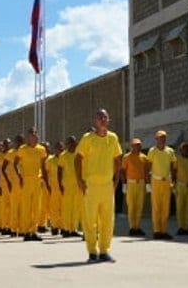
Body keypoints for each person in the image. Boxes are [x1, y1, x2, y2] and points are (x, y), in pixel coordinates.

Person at [76, 108, 122, 263]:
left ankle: (104, 251)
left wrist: (116, 179)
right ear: (94, 121)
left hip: (107, 186)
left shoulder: (113, 138)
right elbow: (78, 158)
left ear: (108, 120)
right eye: (99, 117)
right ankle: (92, 252)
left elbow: (117, 159)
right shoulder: (88, 138)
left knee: (107, 220)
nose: (103, 119)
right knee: (90, 221)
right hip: (91, 186)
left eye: (105, 117)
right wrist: (80, 180)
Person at [15, 128, 47, 241]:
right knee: (26, 207)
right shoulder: (22, 149)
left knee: (36, 207)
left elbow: (43, 166)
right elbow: (15, 164)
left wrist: (44, 179)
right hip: (26, 180)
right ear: (28, 137)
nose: (34, 136)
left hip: (37, 180)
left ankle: (33, 231)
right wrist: (20, 177)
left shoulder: (41, 149)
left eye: (35, 134)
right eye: (31, 134)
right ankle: (25, 231)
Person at [146, 130, 175, 239]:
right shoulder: (152, 151)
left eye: (163, 137)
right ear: (156, 139)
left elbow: (173, 166)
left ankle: (164, 230)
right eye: (159, 138)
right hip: (156, 180)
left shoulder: (170, 151)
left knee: (165, 207)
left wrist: (173, 180)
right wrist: (148, 183)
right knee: (156, 206)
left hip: (166, 180)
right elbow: (148, 167)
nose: (161, 139)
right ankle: (157, 230)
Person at [120, 138, 147, 236]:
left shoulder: (144, 157)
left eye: (139, 145)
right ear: (132, 146)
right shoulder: (126, 157)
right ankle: (132, 227)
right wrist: (124, 184)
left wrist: (147, 184)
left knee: (139, 206)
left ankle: (138, 227)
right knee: (131, 206)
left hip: (141, 183)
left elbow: (146, 171)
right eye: (135, 145)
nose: (138, 146)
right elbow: (122, 171)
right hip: (131, 183)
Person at [173, 141, 188, 236]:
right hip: (180, 186)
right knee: (180, 207)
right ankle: (181, 227)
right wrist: (173, 185)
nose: (186, 150)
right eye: (184, 148)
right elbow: (174, 172)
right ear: (180, 150)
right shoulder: (177, 160)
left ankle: (187, 227)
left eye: (187, 148)